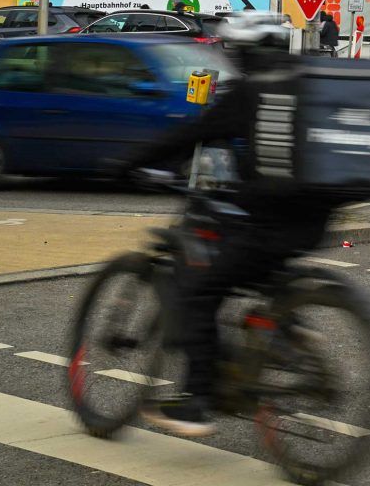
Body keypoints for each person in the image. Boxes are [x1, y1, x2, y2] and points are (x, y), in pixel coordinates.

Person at [117, 36, 340, 438]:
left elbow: (194, 133)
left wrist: (133, 162)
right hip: (316, 220)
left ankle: (197, 400)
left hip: (269, 220)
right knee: (255, 267)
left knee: (200, 289)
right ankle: (289, 330)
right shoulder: (307, 87)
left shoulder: (252, 92)